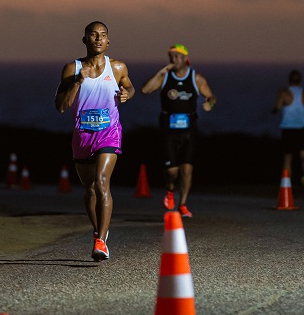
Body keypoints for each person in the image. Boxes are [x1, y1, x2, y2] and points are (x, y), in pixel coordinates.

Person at [54, 21, 135, 262]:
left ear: (108, 41)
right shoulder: (72, 68)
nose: (98, 39)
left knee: (101, 183)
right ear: (85, 40)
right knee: (89, 190)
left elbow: (129, 87)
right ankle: (98, 231)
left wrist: (126, 94)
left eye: (103, 35)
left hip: (109, 133)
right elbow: (60, 106)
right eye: (93, 35)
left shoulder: (118, 67)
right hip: (83, 136)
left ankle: (101, 241)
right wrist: (78, 81)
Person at [140, 43, 216, 218]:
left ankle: (183, 204)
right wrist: (161, 72)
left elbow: (212, 96)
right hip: (168, 128)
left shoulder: (196, 78)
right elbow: (145, 90)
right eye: (171, 56)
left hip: (189, 129)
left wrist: (209, 103)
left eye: (177, 56)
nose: (174, 59)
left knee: (187, 169)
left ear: (185, 58)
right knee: (172, 171)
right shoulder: (165, 77)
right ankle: (170, 189)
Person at [272, 69, 304, 197]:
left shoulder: (284, 93)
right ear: (300, 80)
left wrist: (276, 109)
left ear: (289, 80)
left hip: (288, 129)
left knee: (288, 158)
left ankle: (286, 184)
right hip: (303, 129)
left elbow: (276, 107)